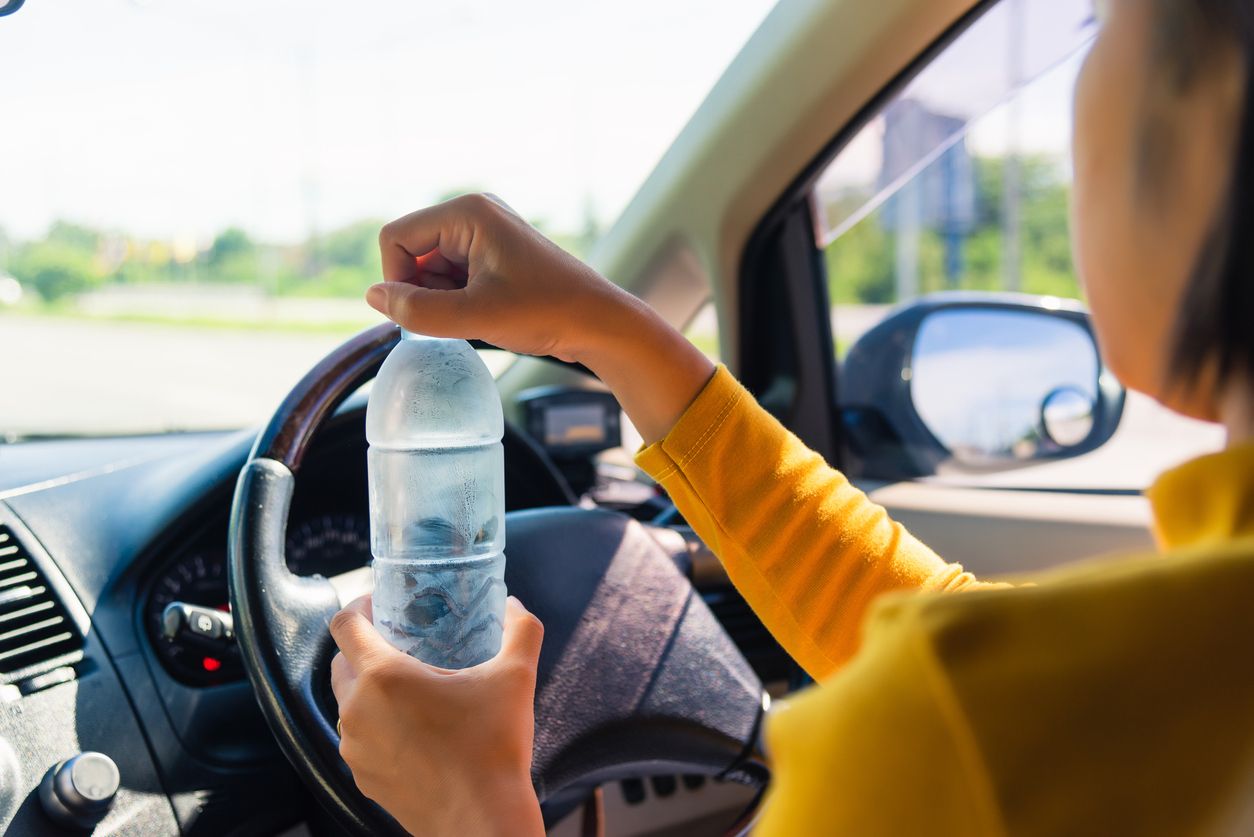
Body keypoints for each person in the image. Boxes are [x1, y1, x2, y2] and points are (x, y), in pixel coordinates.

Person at [327, 0, 1254, 833]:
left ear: (1217, 113)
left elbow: (980, 689)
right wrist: (607, 329)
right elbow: (956, 639)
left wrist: (471, 806)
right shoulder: (1131, 687)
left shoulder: (971, 738)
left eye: (1100, 26)